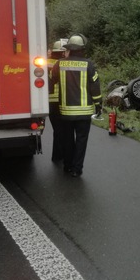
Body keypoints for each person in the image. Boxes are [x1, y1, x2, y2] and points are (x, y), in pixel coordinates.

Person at [51, 33, 102, 177]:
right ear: (81, 49)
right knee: (81, 141)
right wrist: (99, 104)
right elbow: (95, 87)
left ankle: (67, 165)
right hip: (84, 112)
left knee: (67, 140)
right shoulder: (89, 64)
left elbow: (50, 82)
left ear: (69, 49)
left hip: (65, 112)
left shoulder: (59, 64)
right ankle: (77, 169)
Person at [47, 39, 67, 162]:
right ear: (62, 52)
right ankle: (59, 156)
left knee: (57, 129)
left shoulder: (45, 62)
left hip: (48, 100)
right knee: (61, 130)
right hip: (58, 100)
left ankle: (57, 156)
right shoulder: (62, 64)